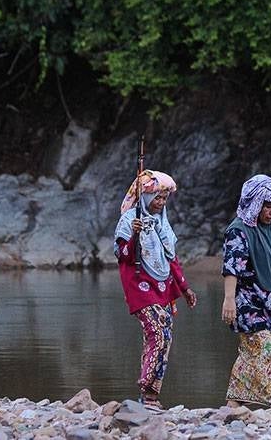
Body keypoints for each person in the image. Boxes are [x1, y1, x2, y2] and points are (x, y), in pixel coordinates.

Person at [114, 169, 197, 409]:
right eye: (156, 198)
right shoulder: (130, 221)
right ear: (146, 198)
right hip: (140, 288)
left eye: (163, 199)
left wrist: (185, 288)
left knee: (165, 336)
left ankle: (150, 397)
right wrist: (135, 236)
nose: (160, 203)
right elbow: (123, 255)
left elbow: (171, 259)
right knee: (157, 333)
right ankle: (146, 387)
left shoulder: (163, 223)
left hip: (162, 289)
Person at [221, 174, 271, 408]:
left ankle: (234, 403)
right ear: (255, 203)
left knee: (251, 353)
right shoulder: (238, 230)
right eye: (268, 206)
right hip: (248, 303)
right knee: (264, 349)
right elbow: (231, 267)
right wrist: (229, 301)